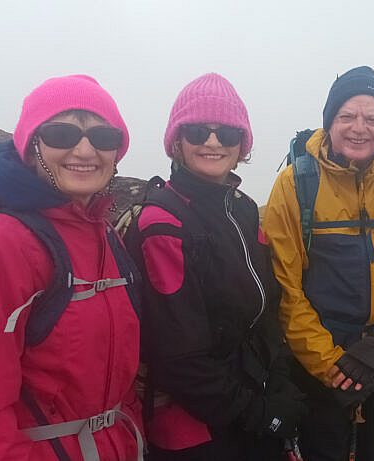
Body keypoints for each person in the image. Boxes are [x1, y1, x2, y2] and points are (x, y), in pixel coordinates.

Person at [0, 75, 143, 460]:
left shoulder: (105, 234)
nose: (85, 149)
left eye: (103, 137)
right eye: (60, 134)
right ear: (31, 147)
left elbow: (119, 385)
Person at [121, 73, 307, 460]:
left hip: (248, 405)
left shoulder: (241, 210)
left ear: (242, 145)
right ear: (176, 141)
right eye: (196, 131)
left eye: (227, 132)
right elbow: (179, 357)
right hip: (195, 431)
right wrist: (260, 413)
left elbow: (265, 312)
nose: (212, 141)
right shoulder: (162, 224)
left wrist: (281, 384)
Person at [262, 65, 374, 461]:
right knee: (324, 449)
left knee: (373, 450)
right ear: (329, 123)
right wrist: (331, 365)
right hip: (319, 358)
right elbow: (286, 291)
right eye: (347, 116)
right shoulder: (295, 185)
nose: (360, 127)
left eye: (372, 118)